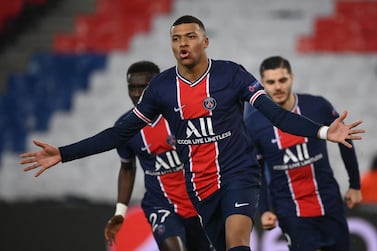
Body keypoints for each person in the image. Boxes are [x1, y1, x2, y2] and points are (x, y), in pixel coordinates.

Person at [20, 15, 364, 251]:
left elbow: (275, 115)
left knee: (238, 242)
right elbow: (116, 134)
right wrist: (63, 153)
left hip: (238, 175)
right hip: (199, 187)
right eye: (175, 38)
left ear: (205, 41)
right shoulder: (161, 88)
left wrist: (322, 132)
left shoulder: (232, 75)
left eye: (190, 37)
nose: (182, 43)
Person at [244, 56, 362, 251]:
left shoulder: (316, 106)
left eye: (282, 80)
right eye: (271, 82)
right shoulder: (254, 124)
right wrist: (264, 209)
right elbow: (255, 170)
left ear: (292, 77)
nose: (278, 87)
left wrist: (354, 185)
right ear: (262, 84)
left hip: (329, 202)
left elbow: (345, 138)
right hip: (291, 210)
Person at [104, 61, 214, 251]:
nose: (137, 94)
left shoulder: (184, 114)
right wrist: (120, 212)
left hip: (198, 205)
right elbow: (127, 168)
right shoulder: (124, 127)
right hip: (160, 204)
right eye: (132, 88)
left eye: (143, 87)